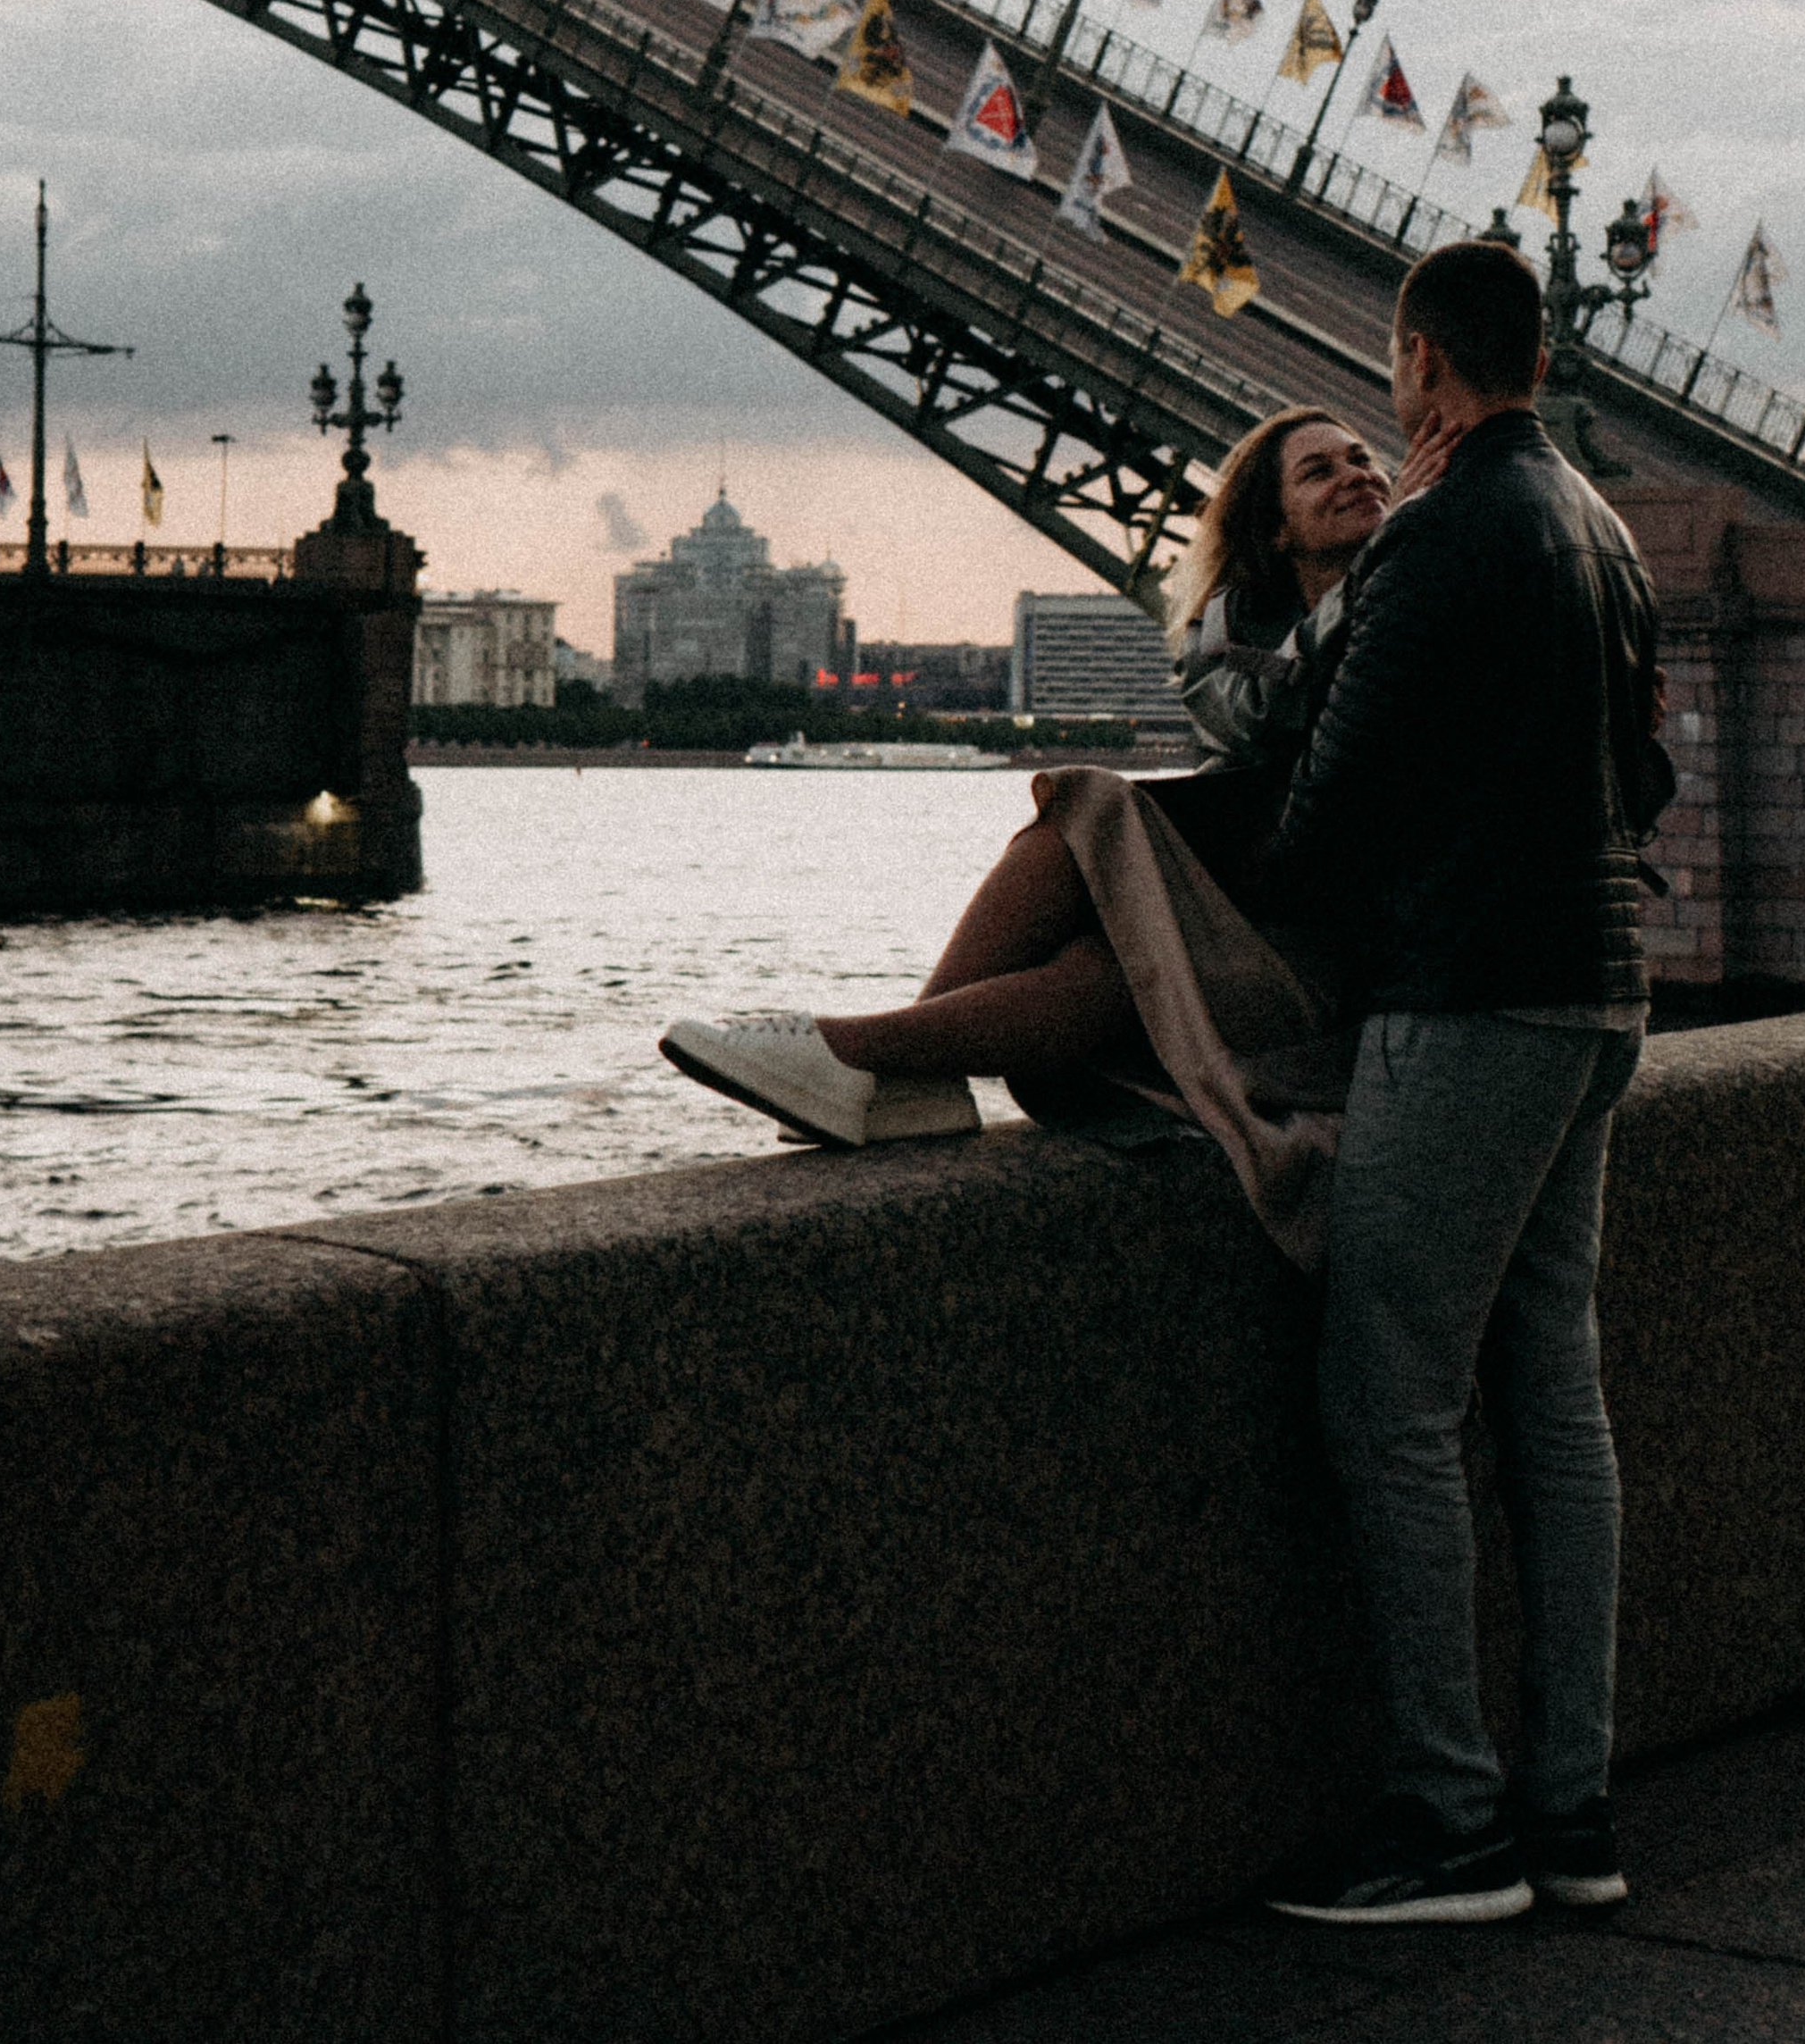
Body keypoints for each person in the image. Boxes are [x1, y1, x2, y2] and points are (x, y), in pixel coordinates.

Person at [1248, 240, 1662, 1931]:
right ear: (1541, 358)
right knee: (1553, 1402)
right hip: (1599, 990)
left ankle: (1447, 1823)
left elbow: (1327, 812)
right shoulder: (1604, 529)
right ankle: (1573, 1809)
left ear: (1421, 363)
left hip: (1468, 995)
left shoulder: (1440, 532)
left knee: (1389, 1395)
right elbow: (1644, 773)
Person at [657, 407, 1427, 1217]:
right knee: (1089, 867)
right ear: (1273, 532)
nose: (1357, 476)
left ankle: (855, 1054)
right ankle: (893, 1066)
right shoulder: (1228, 645)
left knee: (1105, 867)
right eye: (1319, 471)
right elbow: (1266, 718)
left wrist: (1388, 552)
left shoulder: (1412, 611)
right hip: (1251, 942)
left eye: (1361, 459)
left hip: (1332, 981)